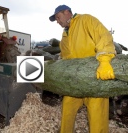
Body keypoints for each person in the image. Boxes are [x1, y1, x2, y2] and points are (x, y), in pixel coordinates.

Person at [49, 4, 116, 133]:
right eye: (56, 19)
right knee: (67, 107)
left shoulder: (86, 20)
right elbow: (66, 56)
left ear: (67, 12)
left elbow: (104, 36)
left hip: (95, 78)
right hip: (75, 81)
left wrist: (105, 60)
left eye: (58, 17)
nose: (57, 21)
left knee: (97, 118)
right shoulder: (64, 35)